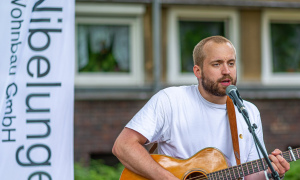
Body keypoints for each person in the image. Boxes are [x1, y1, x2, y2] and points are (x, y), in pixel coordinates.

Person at [112, 36, 290, 179]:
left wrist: (270, 172)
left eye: (231, 63)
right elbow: (123, 146)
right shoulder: (171, 100)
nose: (226, 71)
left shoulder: (248, 112)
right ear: (197, 71)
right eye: (217, 64)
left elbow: (250, 176)